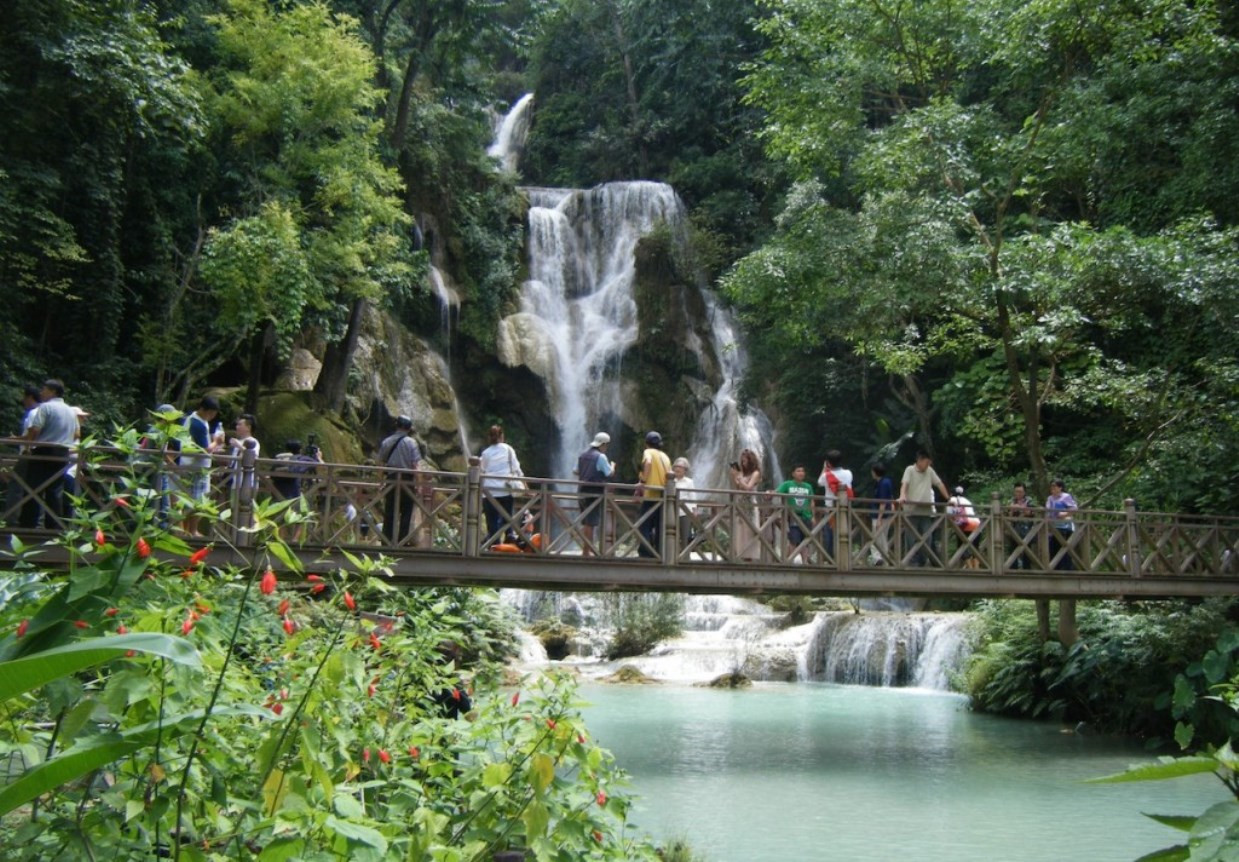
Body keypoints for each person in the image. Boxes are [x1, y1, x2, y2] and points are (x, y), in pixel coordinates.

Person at [19, 379, 80, 529]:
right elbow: (77, 433)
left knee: (32, 488)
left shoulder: (46, 407)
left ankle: (28, 525)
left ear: (53, 391)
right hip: (62, 454)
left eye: (44, 389)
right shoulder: (70, 411)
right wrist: (63, 439)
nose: (41, 393)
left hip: (43, 451)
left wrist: (28, 446)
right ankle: (54, 526)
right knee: (55, 490)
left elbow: (35, 429)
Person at [897, 449, 950, 566]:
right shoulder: (909, 470)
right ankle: (912, 561)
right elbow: (904, 484)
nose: (927, 466)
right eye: (926, 463)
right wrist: (902, 496)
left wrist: (948, 498)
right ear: (919, 460)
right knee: (911, 538)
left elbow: (939, 483)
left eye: (929, 463)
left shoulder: (929, 471)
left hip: (925, 510)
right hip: (911, 510)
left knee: (928, 538)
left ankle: (922, 561)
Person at [180, 396, 222, 537]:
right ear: (202, 409)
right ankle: (192, 530)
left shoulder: (192, 419)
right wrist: (217, 442)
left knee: (189, 499)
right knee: (198, 500)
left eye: (214, 414)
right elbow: (206, 449)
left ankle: (186, 530)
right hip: (196, 467)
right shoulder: (198, 424)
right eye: (210, 413)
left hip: (189, 464)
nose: (212, 416)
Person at [378, 415, 422, 546]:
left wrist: (380, 482)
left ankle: (387, 540)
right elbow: (416, 466)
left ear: (397, 425)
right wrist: (419, 484)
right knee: (407, 510)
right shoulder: (411, 443)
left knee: (390, 509)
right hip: (407, 480)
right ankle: (403, 540)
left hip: (391, 478)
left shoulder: (387, 441)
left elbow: (380, 464)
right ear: (409, 428)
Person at [3, 385, 43, 521]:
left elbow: (31, 434)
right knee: (36, 487)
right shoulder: (44, 411)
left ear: (29, 397)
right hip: (41, 455)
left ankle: (11, 518)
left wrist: (17, 441)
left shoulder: (34, 413)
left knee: (16, 484)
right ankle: (34, 520)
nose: (23, 400)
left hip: (28, 453)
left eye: (24, 397)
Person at [478, 425, 523, 545]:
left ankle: (494, 544)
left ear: (489, 438)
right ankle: (509, 537)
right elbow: (516, 468)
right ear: (502, 436)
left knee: (492, 519)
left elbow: (482, 469)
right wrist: (525, 485)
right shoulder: (508, 449)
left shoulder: (486, 453)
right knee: (507, 517)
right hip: (505, 489)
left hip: (490, 491)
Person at [575, 432, 613, 555]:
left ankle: (586, 549)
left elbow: (575, 471)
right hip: (594, 493)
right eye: (606, 446)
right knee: (590, 523)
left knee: (586, 522)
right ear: (603, 444)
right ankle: (586, 552)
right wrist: (613, 466)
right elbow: (608, 473)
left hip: (581, 491)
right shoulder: (601, 457)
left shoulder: (582, 455)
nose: (606, 448)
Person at [637, 431, 672, 558]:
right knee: (659, 525)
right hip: (662, 495)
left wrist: (642, 482)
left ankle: (645, 552)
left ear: (647, 443)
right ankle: (659, 552)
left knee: (644, 523)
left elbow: (648, 463)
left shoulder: (648, 452)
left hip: (650, 493)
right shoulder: (665, 456)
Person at [774, 464, 816, 562]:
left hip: (806, 516)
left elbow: (812, 501)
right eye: (798, 471)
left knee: (805, 541)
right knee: (793, 539)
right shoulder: (788, 484)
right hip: (793, 516)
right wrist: (769, 493)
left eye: (802, 471)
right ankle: (790, 561)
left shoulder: (808, 486)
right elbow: (778, 492)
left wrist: (813, 516)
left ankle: (805, 562)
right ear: (793, 473)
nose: (801, 473)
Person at [817, 450, 853, 560]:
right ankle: (844, 558)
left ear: (828, 463)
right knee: (844, 533)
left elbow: (819, 482)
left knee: (830, 534)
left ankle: (830, 559)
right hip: (846, 507)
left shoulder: (826, 476)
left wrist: (825, 468)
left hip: (831, 509)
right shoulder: (848, 473)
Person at [729, 448, 762, 561]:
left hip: (750, 507)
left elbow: (748, 488)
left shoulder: (756, 473)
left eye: (745, 461)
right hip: (740, 506)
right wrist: (735, 477)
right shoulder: (742, 473)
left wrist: (739, 477)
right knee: (741, 534)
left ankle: (750, 560)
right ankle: (742, 558)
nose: (743, 463)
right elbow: (739, 488)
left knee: (750, 533)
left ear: (751, 461)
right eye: (742, 461)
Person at [1045, 479, 1078, 571]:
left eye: (1055, 486)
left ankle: (1067, 570)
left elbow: (1074, 508)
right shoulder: (1050, 498)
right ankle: (1055, 570)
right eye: (1051, 486)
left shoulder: (1065, 496)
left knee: (1064, 549)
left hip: (1065, 527)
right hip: (1053, 526)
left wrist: (1065, 514)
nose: (1052, 488)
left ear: (1060, 487)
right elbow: (1047, 510)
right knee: (1053, 549)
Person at [946, 485, 981, 568]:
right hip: (976, 523)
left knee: (961, 546)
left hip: (964, 525)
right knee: (975, 547)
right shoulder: (967, 501)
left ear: (951, 494)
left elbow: (950, 516)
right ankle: (976, 568)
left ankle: (970, 567)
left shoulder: (952, 500)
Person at [670, 456, 699, 554]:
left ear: (685, 470)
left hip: (684, 512)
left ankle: (685, 557)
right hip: (671, 511)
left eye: (680, 467)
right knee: (671, 535)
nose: (677, 468)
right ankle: (672, 555)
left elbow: (693, 496)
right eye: (676, 466)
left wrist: (694, 510)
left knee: (685, 535)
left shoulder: (689, 482)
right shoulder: (670, 481)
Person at [869, 462, 895, 565]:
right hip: (886, 514)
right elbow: (890, 496)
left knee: (877, 537)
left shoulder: (882, 483)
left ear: (875, 472)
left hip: (879, 515)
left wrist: (879, 518)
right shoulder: (885, 482)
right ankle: (883, 558)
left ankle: (880, 558)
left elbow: (883, 502)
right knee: (882, 537)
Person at [1008, 482, 1035, 570]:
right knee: (1013, 550)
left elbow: (1031, 512)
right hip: (1014, 529)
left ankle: (1027, 570)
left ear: (1024, 492)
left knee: (1026, 551)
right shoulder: (1012, 501)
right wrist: (1012, 509)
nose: (1018, 494)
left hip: (1027, 529)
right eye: (1016, 491)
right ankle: (1013, 570)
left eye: (1020, 492)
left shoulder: (1029, 500)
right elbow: (1008, 515)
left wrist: (1020, 508)